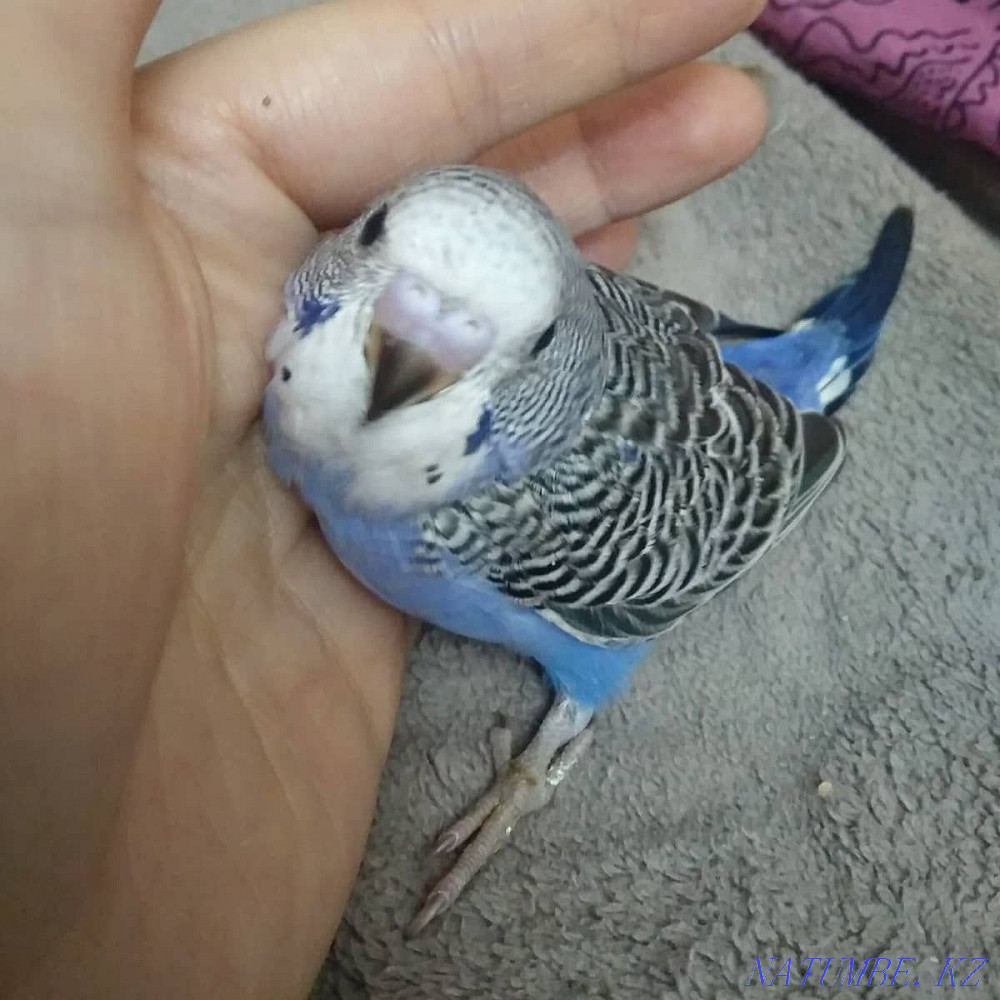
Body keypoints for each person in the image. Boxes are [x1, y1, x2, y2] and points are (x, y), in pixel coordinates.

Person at [0, 0, 768, 995]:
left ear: (549, 357)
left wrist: (527, 775)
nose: (410, 347)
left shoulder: (531, 508)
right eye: (382, 255)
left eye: (503, 342)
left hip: (705, 426)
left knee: (583, 671)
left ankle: (543, 763)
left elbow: (659, 558)